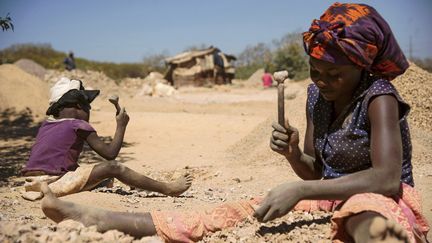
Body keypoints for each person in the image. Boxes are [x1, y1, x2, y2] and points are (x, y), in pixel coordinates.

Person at [38, 3, 429, 242]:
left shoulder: (379, 97)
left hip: (380, 199)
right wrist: (294, 156)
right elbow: (316, 176)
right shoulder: (316, 98)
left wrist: (298, 189)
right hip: (328, 196)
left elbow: (387, 178)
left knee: (366, 217)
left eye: (334, 74)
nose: (323, 82)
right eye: (315, 72)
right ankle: (103, 218)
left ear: (360, 66)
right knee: (228, 212)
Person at [22, 77, 193, 200]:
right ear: (77, 106)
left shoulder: (47, 125)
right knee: (113, 168)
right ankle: (168, 188)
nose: (88, 111)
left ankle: (106, 184)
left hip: (32, 183)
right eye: (87, 106)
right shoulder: (78, 125)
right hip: (54, 182)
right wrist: (121, 125)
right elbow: (110, 154)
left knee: (98, 175)